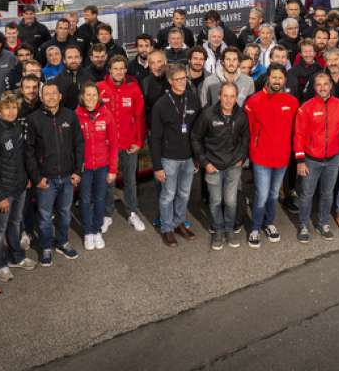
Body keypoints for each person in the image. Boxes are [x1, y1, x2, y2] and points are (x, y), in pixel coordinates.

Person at [26, 82, 84, 265]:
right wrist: (37, 178)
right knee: (44, 216)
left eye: (54, 93)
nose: (50, 97)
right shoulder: (34, 119)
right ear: (42, 98)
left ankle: (62, 242)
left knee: (65, 212)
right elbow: (29, 151)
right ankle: (45, 247)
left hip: (68, 176)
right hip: (46, 179)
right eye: (46, 94)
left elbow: (79, 144)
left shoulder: (70, 116)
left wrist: (77, 171)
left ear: (60, 96)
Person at [244, 65, 299, 248]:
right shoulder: (254, 101)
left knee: (274, 193)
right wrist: (253, 150)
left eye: (280, 78)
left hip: (282, 158)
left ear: (285, 80)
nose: (277, 81)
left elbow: (296, 131)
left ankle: (269, 223)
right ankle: (255, 227)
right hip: (261, 157)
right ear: (268, 78)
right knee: (262, 194)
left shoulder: (292, 102)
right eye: (274, 77)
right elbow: (249, 130)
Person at [293, 73, 339, 243]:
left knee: (327, 194)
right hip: (311, 160)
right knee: (306, 195)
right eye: (318, 84)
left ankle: (323, 223)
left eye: (325, 84)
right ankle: (303, 225)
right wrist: (300, 160)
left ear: (331, 85)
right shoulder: (306, 107)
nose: (322, 87)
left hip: (333, 158)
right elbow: (298, 135)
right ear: (314, 87)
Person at [191, 82, 250, 249]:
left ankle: (229, 229)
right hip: (213, 166)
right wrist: (205, 162)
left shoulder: (241, 115)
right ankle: (218, 230)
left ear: (236, 97)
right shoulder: (208, 115)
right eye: (225, 96)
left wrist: (242, 157)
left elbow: (246, 138)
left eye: (232, 96)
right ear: (219, 96)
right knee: (216, 201)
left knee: (231, 201)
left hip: (233, 165)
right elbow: (195, 138)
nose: (229, 100)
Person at [0, 94, 32, 281]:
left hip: (20, 187)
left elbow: (21, 158)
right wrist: (0, 196)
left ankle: (16, 257)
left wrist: (25, 178)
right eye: (7, 108)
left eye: (14, 108)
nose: (11, 112)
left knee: (16, 223)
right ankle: (0, 263)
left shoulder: (17, 126)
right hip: (4, 192)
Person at [150, 64, 201, 247]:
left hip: (188, 158)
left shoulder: (193, 99)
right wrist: (157, 166)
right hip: (168, 159)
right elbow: (154, 138)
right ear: (170, 81)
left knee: (184, 193)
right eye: (178, 79)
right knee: (168, 195)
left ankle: (179, 223)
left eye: (184, 78)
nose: (182, 82)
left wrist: (197, 157)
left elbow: (197, 131)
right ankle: (167, 229)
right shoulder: (161, 104)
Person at [97, 56, 147, 232]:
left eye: (122, 68)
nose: (118, 71)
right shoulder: (99, 88)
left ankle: (132, 212)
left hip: (128, 144)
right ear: (109, 70)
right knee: (108, 180)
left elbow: (140, 117)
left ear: (126, 70)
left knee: (130, 180)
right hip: (106, 146)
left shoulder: (133, 88)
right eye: (115, 68)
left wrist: (139, 141)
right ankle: (107, 214)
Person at [76, 83, 118, 251]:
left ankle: (97, 229)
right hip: (84, 168)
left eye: (94, 95)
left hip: (102, 166)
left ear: (99, 96)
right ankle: (87, 232)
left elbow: (114, 144)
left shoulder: (107, 115)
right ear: (82, 97)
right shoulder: (76, 115)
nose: (91, 98)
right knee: (85, 200)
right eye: (88, 95)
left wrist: (113, 169)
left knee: (100, 199)